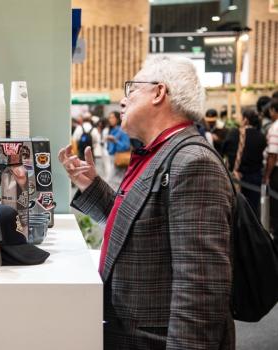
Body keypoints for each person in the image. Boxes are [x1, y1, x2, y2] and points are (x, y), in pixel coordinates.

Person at [59, 55, 234, 349]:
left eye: (132, 89)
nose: (123, 101)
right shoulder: (160, 153)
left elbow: (201, 287)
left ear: (159, 93)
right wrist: (90, 185)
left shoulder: (193, 163)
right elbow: (138, 226)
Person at [232, 109, 267, 217]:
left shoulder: (234, 134)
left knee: (237, 211)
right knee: (252, 211)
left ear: (245, 120)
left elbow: (225, 151)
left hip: (238, 177)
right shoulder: (261, 136)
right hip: (255, 177)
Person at [102, 111, 130, 190]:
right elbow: (110, 148)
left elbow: (126, 146)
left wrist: (114, 140)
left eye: (112, 117)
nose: (110, 119)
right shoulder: (112, 130)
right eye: (109, 117)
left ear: (117, 119)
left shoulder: (122, 130)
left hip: (120, 159)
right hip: (112, 158)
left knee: (112, 182)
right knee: (113, 182)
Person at [264, 98, 278, 236]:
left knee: (275, 209)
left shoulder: (275, 128)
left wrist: (267, 175)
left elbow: (273, 155)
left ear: (274, 110)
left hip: (276, 173)